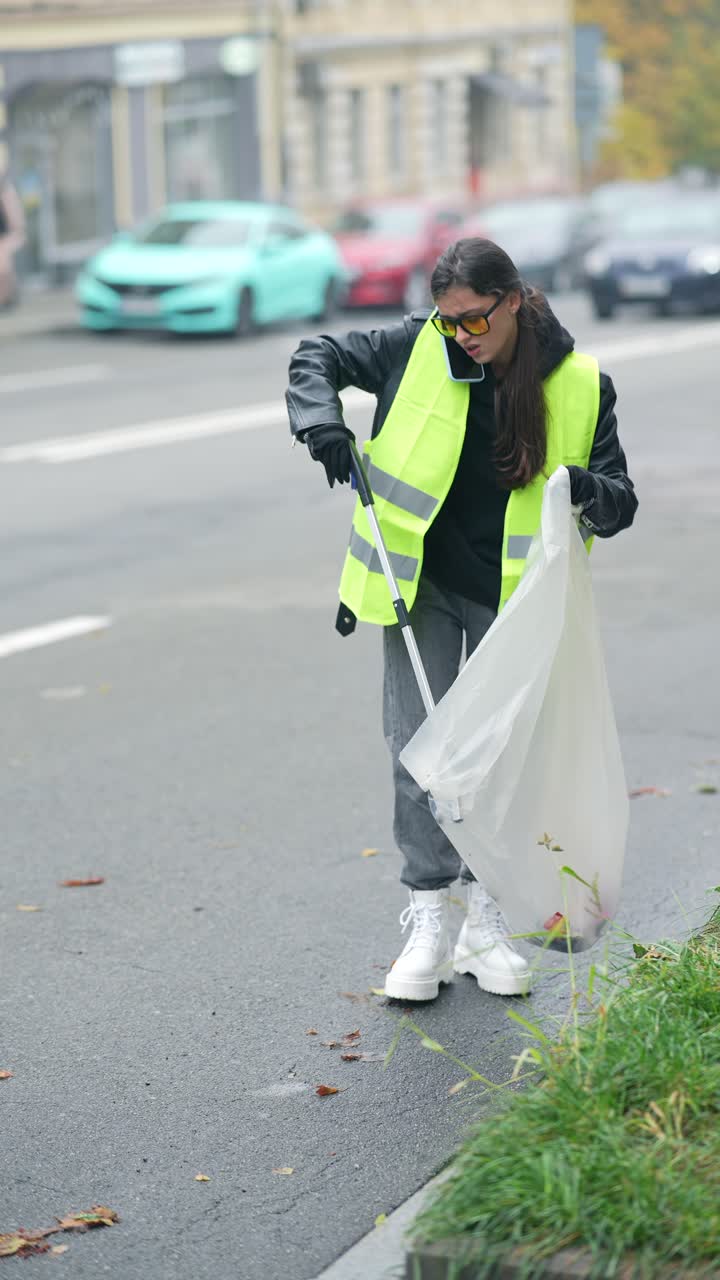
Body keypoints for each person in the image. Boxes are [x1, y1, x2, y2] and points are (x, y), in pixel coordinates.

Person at [285, 238, 637, 1003]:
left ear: (514, 300)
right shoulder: (417, 347)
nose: (462, 336)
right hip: (423, 585)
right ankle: (430, 918)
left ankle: (485, 921)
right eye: (449, 322)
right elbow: (316, 355)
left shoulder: (579, 384)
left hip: (516, 603)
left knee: (496, 764)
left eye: (475, 319)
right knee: (422, 753)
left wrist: (580, 487)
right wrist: (320, 423)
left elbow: (621, 501)